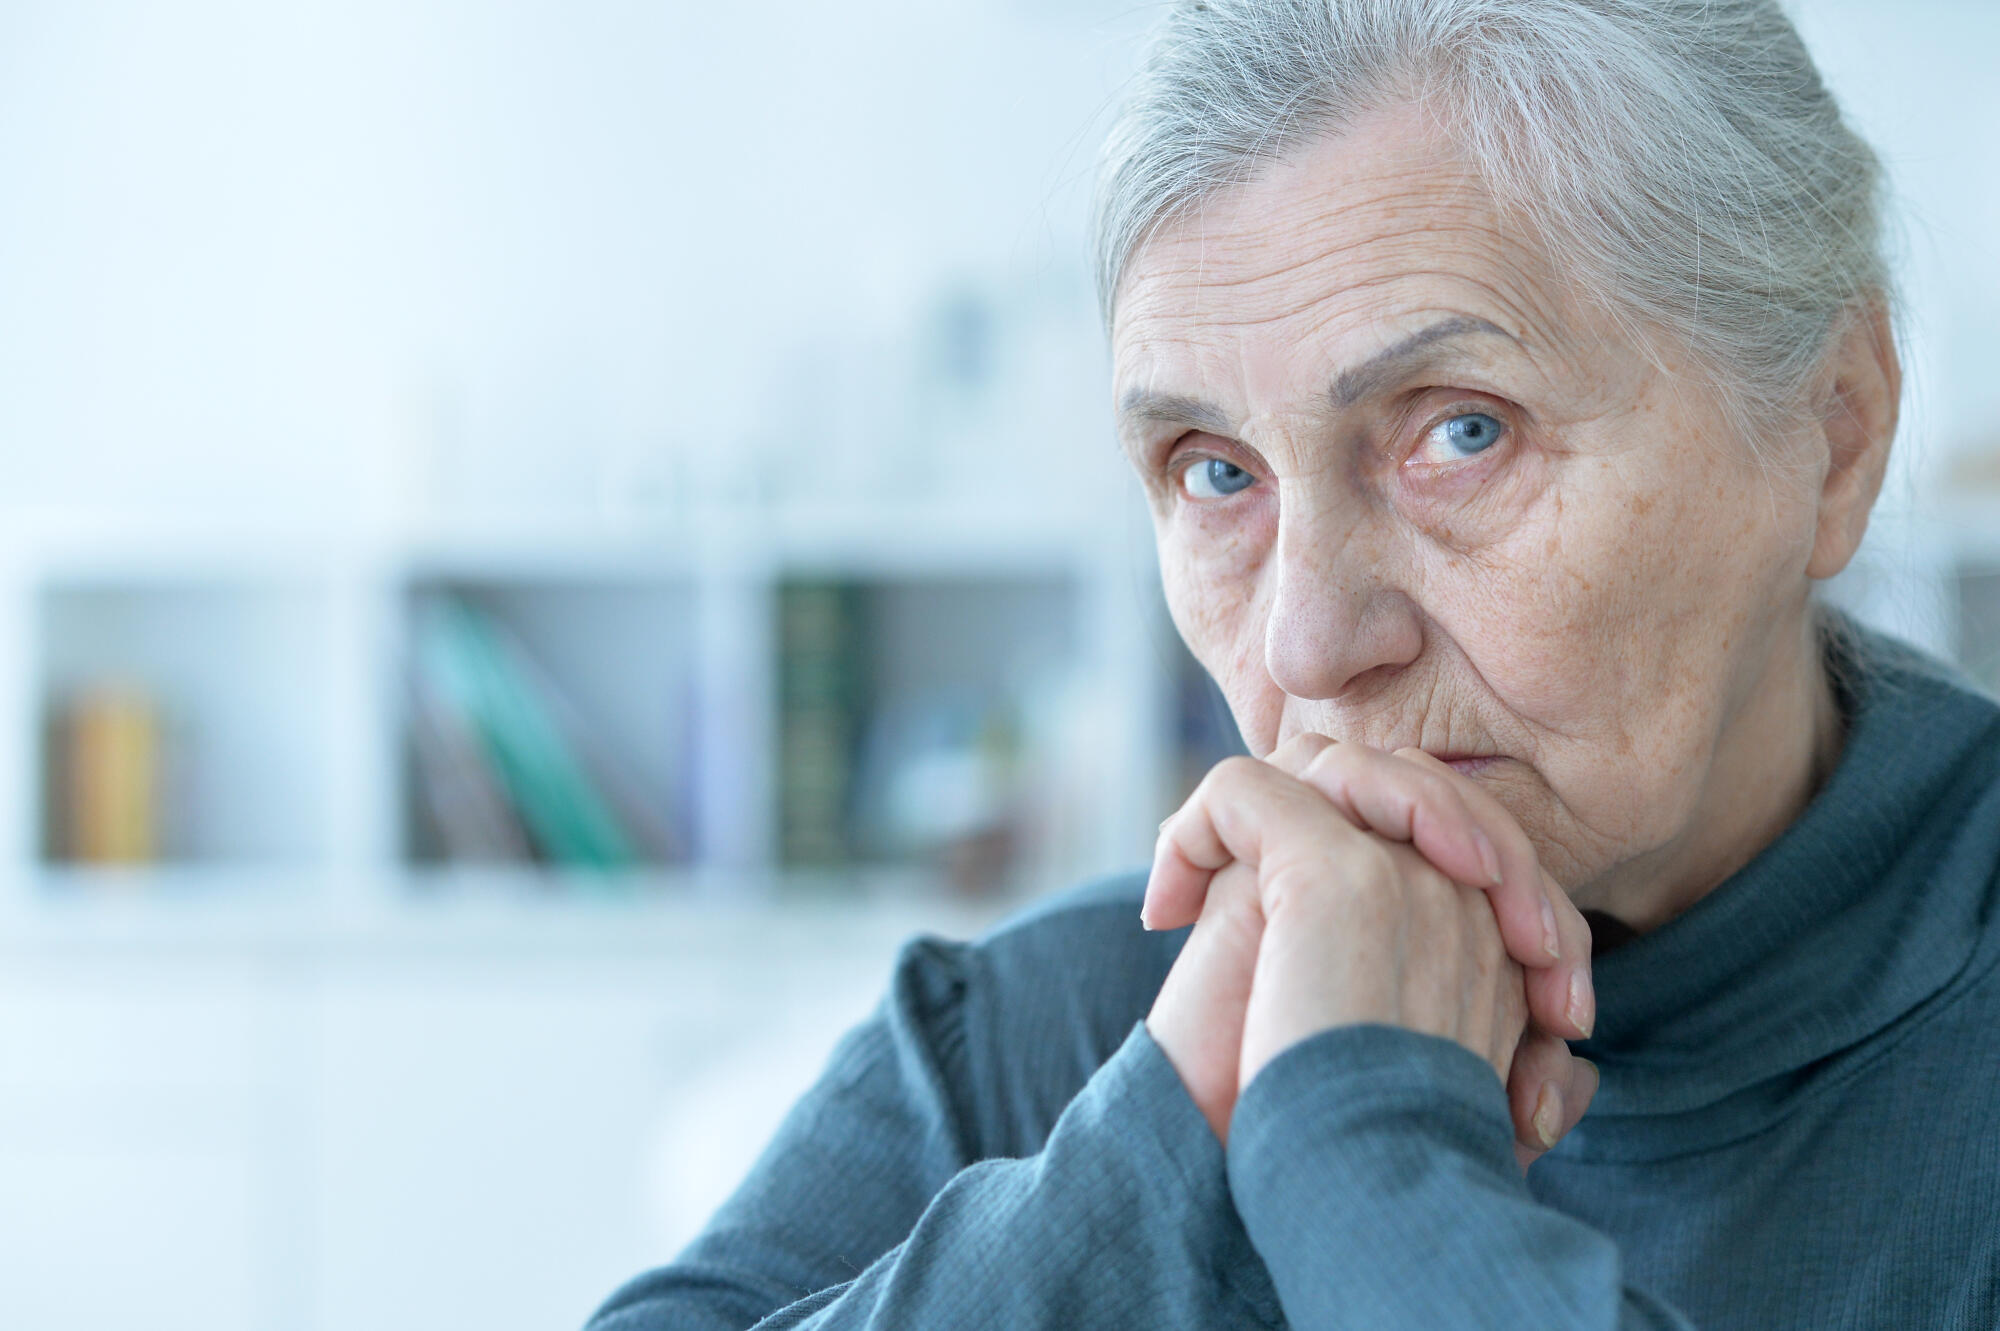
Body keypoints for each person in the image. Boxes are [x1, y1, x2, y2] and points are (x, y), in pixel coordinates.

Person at [586, 1, 2000, 1326]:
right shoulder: (1061, 1022)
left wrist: (1356, 1146)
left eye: (1463, 432)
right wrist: (1164, 1143)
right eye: (1216, 472)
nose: (1308, 643)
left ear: (1836, 428)